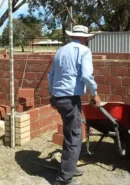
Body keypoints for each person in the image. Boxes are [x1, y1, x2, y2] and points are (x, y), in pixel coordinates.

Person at [48, 25, 101, 185]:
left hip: (59, 97)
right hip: (70, 99)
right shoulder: (84, 51)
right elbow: (86, 75)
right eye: (87, 39)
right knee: (75, 137)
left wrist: (52, 95)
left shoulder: (60, 51)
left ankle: (70, 167)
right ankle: (64, 179)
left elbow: (51, 76)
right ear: (84, 38)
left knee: (69, 133)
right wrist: (94, 94)